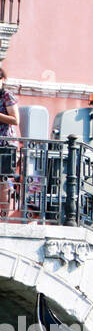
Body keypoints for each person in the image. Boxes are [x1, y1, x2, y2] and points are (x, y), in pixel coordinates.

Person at [0, 67, 17, 218]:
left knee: (3, 180)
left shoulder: (7, 95)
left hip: (5, 143)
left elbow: (15, 119)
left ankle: (3, 216)